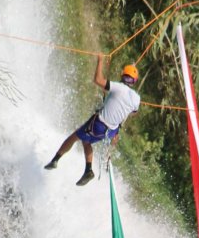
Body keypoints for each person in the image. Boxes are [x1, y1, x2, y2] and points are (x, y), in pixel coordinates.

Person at [45, 56, 141, 185]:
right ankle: (88, 170)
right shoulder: (136, 98)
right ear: (134, 81)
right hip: (110, 131)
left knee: (74, 137)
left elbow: (97, 80)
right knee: (86, 141)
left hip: (99, 125)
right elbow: (134, 113)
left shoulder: (117, 87)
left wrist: (100, 60)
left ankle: (55, 160)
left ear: (122, 76)